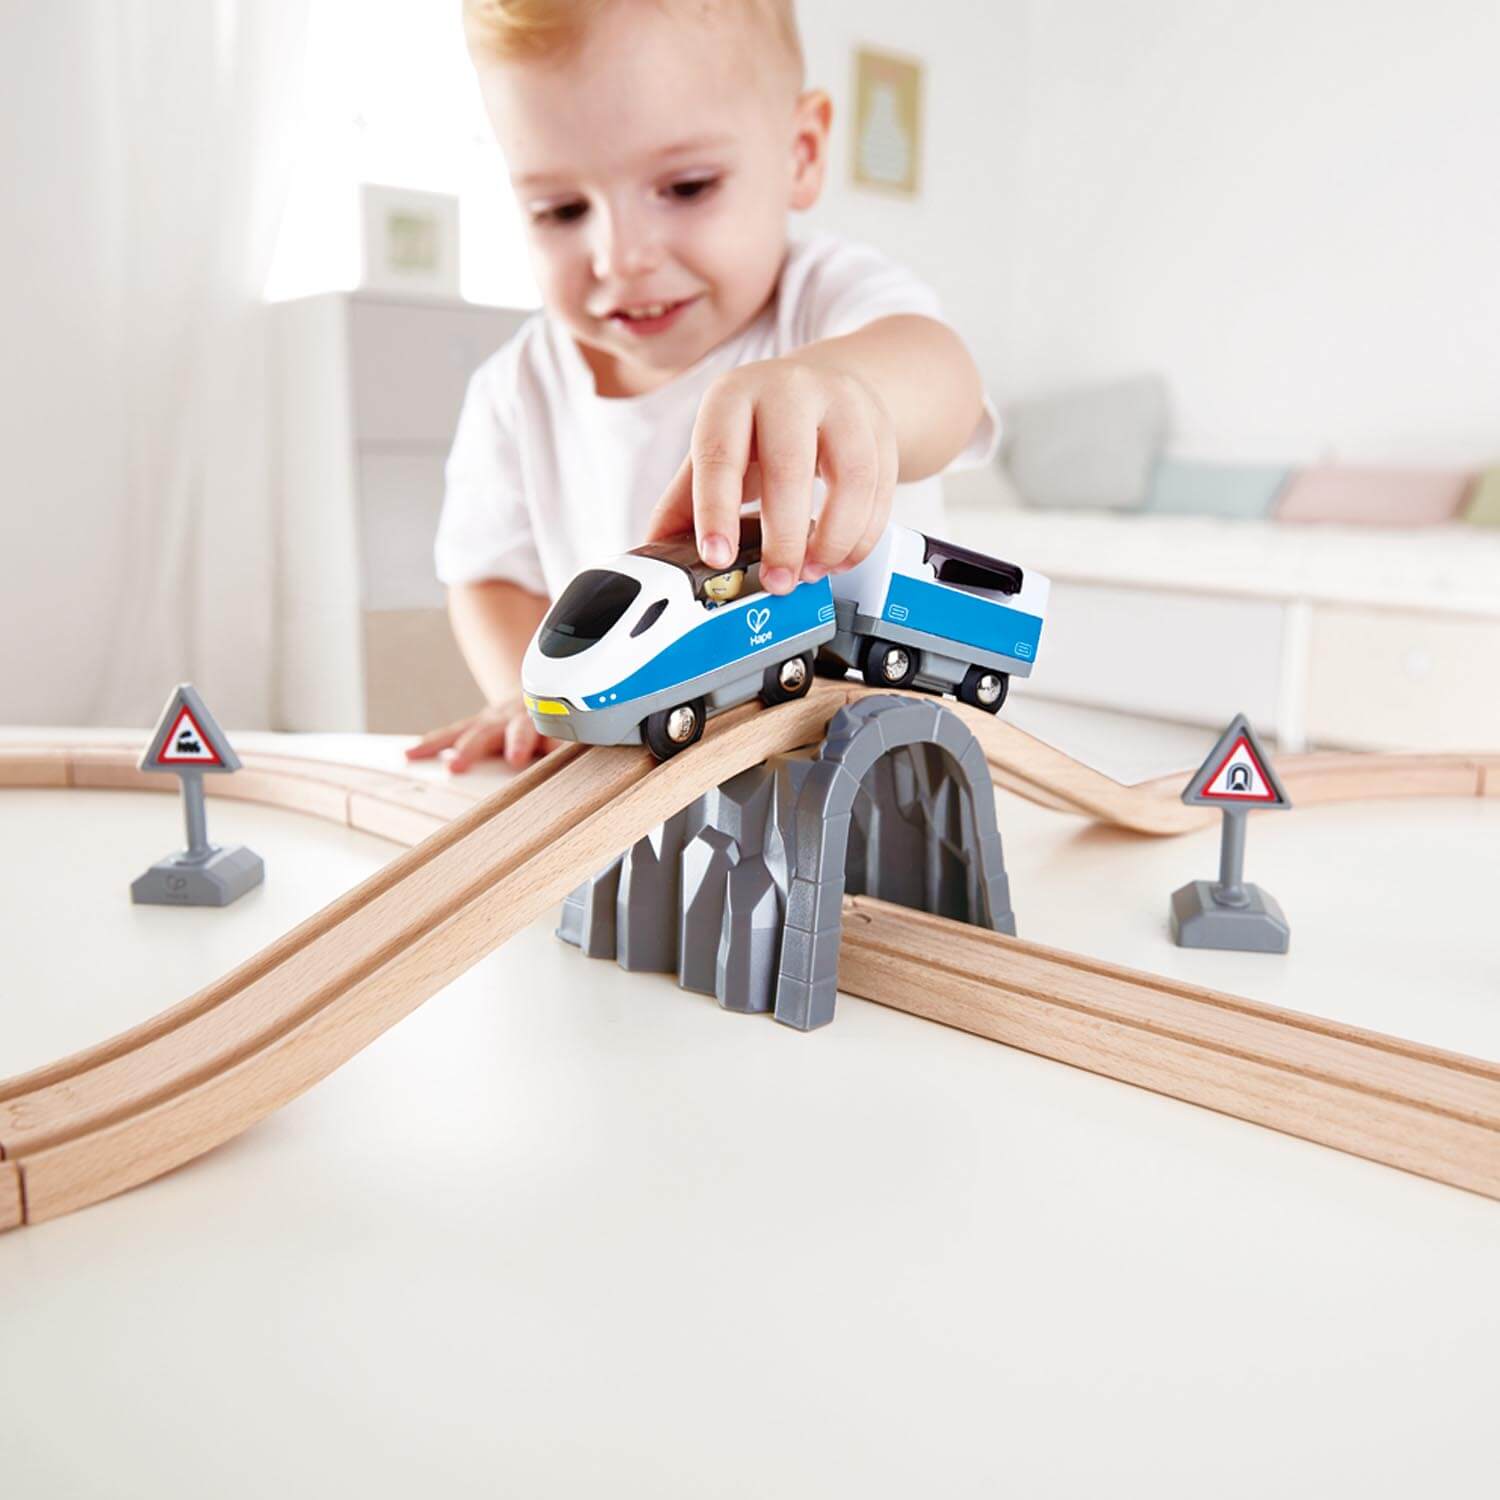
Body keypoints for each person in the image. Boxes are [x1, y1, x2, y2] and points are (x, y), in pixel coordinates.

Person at [407, 0, 994, 773]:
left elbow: (942, 380)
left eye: (685, 187)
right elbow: (488, 576)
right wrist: (531, 692)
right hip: (651, 789)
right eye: (561, 209)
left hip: (860, 777)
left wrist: (842, 384)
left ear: (802, 153)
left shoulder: (823, 302)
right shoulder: (515, 389)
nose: (621, 256)